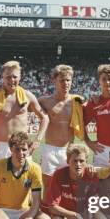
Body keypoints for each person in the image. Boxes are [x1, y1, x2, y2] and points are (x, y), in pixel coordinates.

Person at [0, 60, 49, 162]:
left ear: (20, 77)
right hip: (0, 147)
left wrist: (38, 140)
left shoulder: (27, 96)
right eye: (8, 77)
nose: (12, 80)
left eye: (15, 76)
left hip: (22, 146)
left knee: (24, 178)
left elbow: (45, 117)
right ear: (2, 77)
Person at [42, 144, 98, 219]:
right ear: (68, 161)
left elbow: (93, 205)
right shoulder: (59, 174)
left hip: (84, 215)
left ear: (86, 162)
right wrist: (75, 215)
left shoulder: (92, 175)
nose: (78, 164)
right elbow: (52, 206)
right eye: (74, 161)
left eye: (81, 161)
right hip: (66, 216)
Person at [38, 64, 85, 194]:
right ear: (54, 80)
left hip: (69, 150)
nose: (66, 83)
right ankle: (47, 211)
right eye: (62, 80)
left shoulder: (77, 101)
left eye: (68, 80)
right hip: (50, 150)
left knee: (69, 186)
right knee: (48, 186)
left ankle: (65, 212)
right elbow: (25, 107)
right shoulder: (44, 101)